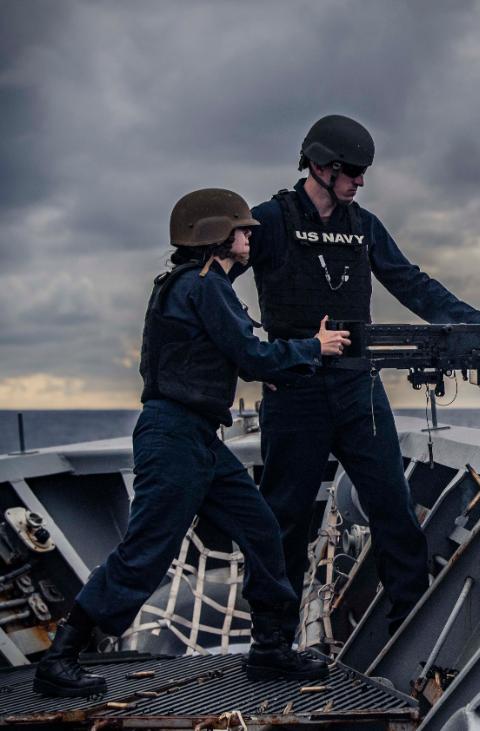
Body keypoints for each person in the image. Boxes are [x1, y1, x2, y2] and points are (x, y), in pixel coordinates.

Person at [33, 189, 349, 697]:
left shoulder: (193, 285)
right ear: (216, 237)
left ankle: (269, 648)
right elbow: (250, 355)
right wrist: (316, 345)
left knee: (262, 529)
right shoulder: (204, 286)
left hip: (199, 437)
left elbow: (226, 349)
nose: (251, 235)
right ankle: (61, 656)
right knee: (146, 552)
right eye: (242, 230)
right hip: (175, 437)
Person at [247, 115, 480, 637]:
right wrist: (254, 352)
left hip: (358, 387)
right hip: (294, 390)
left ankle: (411, 630)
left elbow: (412, 284)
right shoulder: (268, 221)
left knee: (393, 507)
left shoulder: (365, 226)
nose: (361, 181)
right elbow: (218, 280)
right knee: (283, 519)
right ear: (319, 166)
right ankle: (273, 642)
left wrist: (479, 328)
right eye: (353, 171)